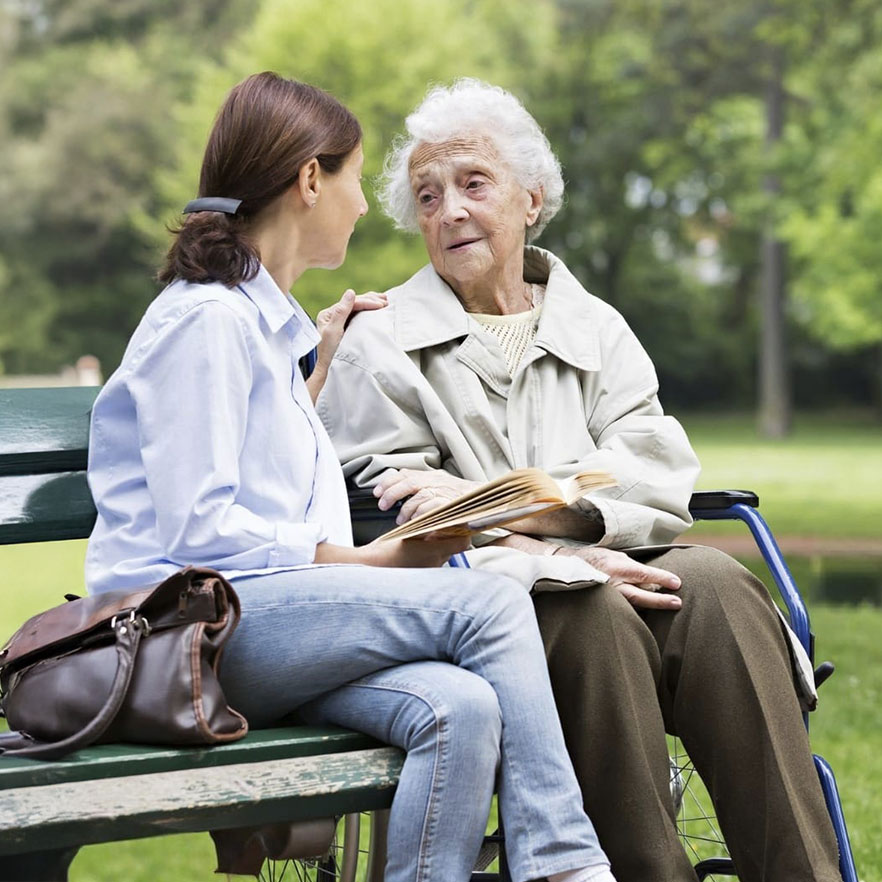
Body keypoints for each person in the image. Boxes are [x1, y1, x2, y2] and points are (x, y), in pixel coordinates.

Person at [83, 71, 618, 882]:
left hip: (254, 625)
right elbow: (202, 533)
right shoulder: (205, 321)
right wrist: (365, 565)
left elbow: (262, 482)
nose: (367, 207)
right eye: (351, 180)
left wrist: (314, 378)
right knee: (492, 605)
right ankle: (564, 863)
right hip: (191, 632)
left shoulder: (258, 327)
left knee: (460, 709)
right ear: (308, 180)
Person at [318, 79, 842, 882]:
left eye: (473, 183)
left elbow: (657, 465)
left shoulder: (595, 326)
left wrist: (548, 516)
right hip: (492, 599)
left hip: (614, 553)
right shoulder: (379, 345)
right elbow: (397, 516)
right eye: (428, 195)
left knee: (720, 588)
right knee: (587, 611)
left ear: (532, 198)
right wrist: (555, 554)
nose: (449, 209)